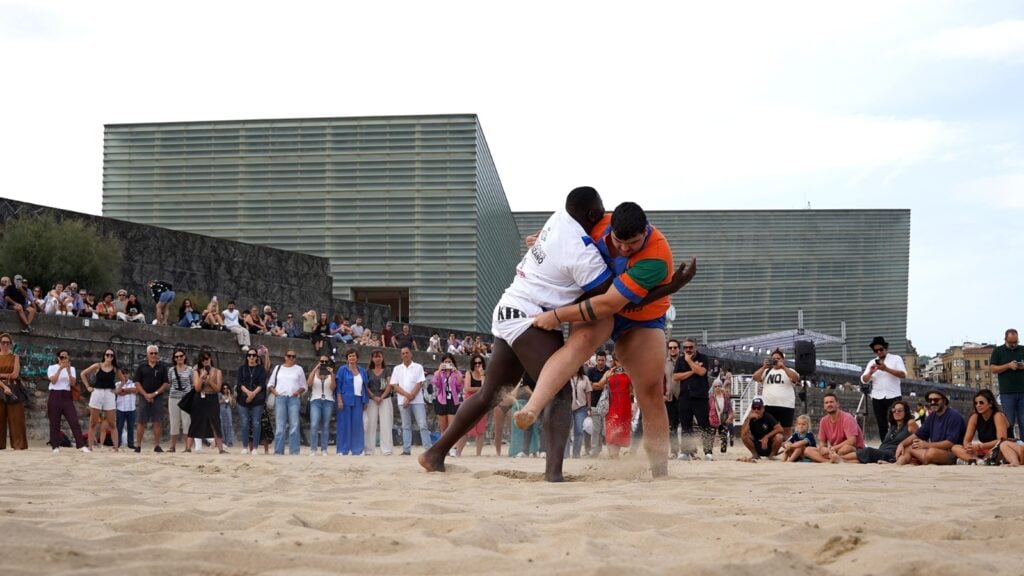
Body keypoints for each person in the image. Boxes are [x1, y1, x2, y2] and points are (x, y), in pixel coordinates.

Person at [418, 187, 614, 480]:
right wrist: (662, 289)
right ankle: (553, 474)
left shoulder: (560, 217)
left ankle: (435, 454)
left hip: (509, 307)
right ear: (590, 215)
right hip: (530, 317)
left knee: (490, 394)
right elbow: (610, 297)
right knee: (558, 390)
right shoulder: (580, 250)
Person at [521, 201, 697, 477]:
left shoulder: (656, 257)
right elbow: (562, 229)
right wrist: (540, 240)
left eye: (633, 244)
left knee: (650, 390)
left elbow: (610, 305)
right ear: (611, 227)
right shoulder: (600, 222)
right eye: (619, 242)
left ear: (646, 231)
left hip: (640, 317)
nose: (625, 249)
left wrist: (557, 316)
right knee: (579, 346)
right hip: (597, 303)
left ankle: (660, 472)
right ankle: (532, 407)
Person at [896, 390, 966, 466]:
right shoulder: (932, 416)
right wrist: (901, 444)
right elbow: (918, 434)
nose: (932, 402)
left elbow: (950, 443)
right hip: (932, 450)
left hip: (951, 453)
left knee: (931, 453)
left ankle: (918, 461)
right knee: (907, 447)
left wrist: (927, 445)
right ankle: (896, 466)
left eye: (936, 400)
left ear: (944, 401)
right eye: (930, 400)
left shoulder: (954, 416)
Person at [836, 400, 918, 464]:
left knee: (868, 451)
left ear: (905, 412)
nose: (896, 412)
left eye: (899, 410)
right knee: (863, 459)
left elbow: (920, 437)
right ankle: (841, 461)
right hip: (883, 450)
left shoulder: (910, 423)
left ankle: (839, 458)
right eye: (894, 410)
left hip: (893, 453)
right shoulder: (892, 425)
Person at [861, 336, 906, 440]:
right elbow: (864, 379)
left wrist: (886, 369)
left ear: (886, 348)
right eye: (876, 350)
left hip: (893, 395)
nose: (879, 352)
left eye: (880, 349)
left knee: (896, 423)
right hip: (877, 397)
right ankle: (885, 445)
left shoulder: (896, 359)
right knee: (881, 424)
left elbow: (903, 374)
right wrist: (871, 372)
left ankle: (897, 445)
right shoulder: (872, 362)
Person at [79, 348, 124, 452]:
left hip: (109, 393)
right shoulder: (97, 366)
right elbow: (83, 374)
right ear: (104, 356)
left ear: (113, 357)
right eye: (107, 355)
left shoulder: (115, 369)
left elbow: (123, 380)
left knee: (112, 422)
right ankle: (90, 446)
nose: (109, 357)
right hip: (97, 392)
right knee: (93, 422)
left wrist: (118, 390)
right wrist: (88, 387)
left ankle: (116, 448)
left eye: (111, 355)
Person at [674, 339, 712, 460]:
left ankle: (708, 452)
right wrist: (692, 371)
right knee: (686, 426)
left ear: (695, 347)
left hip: (700, 396)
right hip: (684, 396)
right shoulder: (680, 360)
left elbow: (701, 372)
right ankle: (686, 451)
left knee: (704, 425)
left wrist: (689, 361)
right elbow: (675, 376)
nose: (688, 349)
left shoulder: (703, 358)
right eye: (685, 347)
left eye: (690, 347)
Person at [950, 390, 1010, 465]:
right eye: (976, 403)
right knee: (955, 448)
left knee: (997, 450)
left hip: (1002, 448)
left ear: (990, 404)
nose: (978, 405)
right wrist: (969, 448)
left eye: (981, 403)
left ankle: (972, 460)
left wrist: (980, 446)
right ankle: (979, 461)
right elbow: (966, 440)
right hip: (983, 450)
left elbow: (1001, 440)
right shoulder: (974, 417)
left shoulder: (998, 415)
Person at [47, 349, 89, 453]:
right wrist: (60, 369)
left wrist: (69, 371)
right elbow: (53, 380)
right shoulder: (52, 367)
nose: (64, 359)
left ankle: (81, 445)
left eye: (66, 357)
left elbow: (73, 383)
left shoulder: (72, 368)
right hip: (54, 395)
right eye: (62, 357)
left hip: (66, 395)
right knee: (54, 422)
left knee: (73, 420)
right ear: (58, 358)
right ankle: (55, 446)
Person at [803, 393, 865, 463]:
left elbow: (851, 441)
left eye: (831, 402)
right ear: (824, 406)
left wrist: (833, 448)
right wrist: (823, 448)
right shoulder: (823, 421)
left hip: (853, 449)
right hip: (834, 450)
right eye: (826, 403)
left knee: (844, 449)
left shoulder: (847, 418)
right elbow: (822, 443)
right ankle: (830, 461)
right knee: (807, 450)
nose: (829, 404)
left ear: (837, 404)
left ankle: (839, 459)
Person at [754, 348, 800, 440]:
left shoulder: (789, 370)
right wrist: (763, 367)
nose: (776, 360)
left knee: (786, 429)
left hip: (786, 405)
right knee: (768, 428)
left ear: (783, 360)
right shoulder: (767, 371)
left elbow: (795, 378)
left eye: (778, 358)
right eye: (774, 358)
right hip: (769, 405)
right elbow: (755, 377)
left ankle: (788, 449)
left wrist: (783, 367)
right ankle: (771, 449)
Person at [393, 346, 431, 455]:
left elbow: (419, 384)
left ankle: (428, 449)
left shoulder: (418, 367)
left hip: (417, 401)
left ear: (411, 354)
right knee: (406, 426)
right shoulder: (397, 369)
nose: (405, 355)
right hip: (402, 401)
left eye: (407, 353)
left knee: (423, 424)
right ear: (401, 355)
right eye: (403, 353)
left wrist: (410, 397)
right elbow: (395, 386)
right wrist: (407, 396)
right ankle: (406, 450)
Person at [187, 352, 227, 454]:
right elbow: (197, 388)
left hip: (212, 396)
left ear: (210, 359)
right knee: (195, 421)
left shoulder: (217, 372)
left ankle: (221, 448)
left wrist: (209, 381)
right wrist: (202, 377)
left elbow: (218, 389)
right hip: (200, 396)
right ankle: (188, 448)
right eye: (202, 359)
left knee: (215, 422)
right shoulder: (197, 371)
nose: (205, 360)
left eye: (206, 358)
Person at [268, 349, 306, 455]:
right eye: (289, 356)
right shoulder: (278, 368)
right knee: (280, 426)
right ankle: (278, 451)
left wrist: (297, 392)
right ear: (285, 357)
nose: (291, 358)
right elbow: (270, 383)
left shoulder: (299, 369)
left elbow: (304, 385)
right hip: (281, 398)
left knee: (294, 425)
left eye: (293, 356)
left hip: (293, 398)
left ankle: (294, 451)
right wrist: (275, 392)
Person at [134, 344, 169, 453]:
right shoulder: (141, 367)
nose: (154, 355)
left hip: (157, 397)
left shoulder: (162, 367)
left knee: (157, 421)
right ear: (147, 354)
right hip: (144, 397)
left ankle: (157, 446)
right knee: (141, 421)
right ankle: (138, 446)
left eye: (155, 353)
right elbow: (137, 383)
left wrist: (154, 394)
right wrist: (145, 395)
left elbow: (165, 384)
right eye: (151, 353)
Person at [990, 328, 1024, 440]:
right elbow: (993, 368)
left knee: (1023, 422)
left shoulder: (1022, 349)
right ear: (1005, 339)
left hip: (1023, 392)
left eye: (1015, 342)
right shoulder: (998, 351)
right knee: (1008, 422)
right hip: (1007, 393)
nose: (1014, 345)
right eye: (1011, 343)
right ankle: (1011, 446)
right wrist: (1008, 366)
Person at [335, 349, 369, 455]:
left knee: (357, 425)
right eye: (350, 356)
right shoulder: (342, 369)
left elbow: (365, 386)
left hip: (359, 399)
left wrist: (365, 401)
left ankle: (357, 449)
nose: (352, 358)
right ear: (347, 358)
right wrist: (339, 400)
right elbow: (338, 387)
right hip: (345, 399)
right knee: (344, 424)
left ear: (357, 358)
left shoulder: (362, 370)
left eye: (354, 356)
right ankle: (343, 449)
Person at [236, 348, 267, 455]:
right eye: (249, 355)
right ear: (247, 357)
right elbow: (240, 383)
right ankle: (245, 447)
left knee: (256, 423)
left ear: (257, 357)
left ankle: (255, 448)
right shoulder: (242, 369)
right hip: (243, 398)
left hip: (257, 399)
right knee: (244, 423)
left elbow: (262, 384)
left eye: (254, 355)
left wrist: (253, 394)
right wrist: (248, 393)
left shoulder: (260, 369)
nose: (252, 357)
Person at [431, 353, 464, 452]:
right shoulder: (440, 374)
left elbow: (460, 385)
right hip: (441, 400)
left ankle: (453, 448)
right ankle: (443, 449)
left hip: (453, 401)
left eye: (449, 362)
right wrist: (439, 370)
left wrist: (456, 371)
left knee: (452, 427)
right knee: (443, 428)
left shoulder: (456, 373)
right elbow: (434, 382)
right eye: (445, 362)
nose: (447, 364)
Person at [0, 333, 28, 449]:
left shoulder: (15, 357)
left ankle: (19, 445)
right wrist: (4, 386)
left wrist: (1, 375)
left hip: (14, 387)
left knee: (17, 417)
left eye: (7, 343)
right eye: (3, 342)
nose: (5, 345)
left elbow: (15, 374)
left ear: (11, 344)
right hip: (1, 386)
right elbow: (11, 374)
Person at [364, 350, 394, 456]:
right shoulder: (368, 371)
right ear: (372, 359)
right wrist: (373, 396)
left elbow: (390, 384)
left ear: (382, 358)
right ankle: (369, 449)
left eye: (379, 356)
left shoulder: (387, 370)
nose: (377, 359)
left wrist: (382, 397)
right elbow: (365, 386)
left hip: (385, 399)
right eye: (375, 357)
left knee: (386, 424)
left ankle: (386, 449)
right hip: (372, 400)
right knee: (371, 424)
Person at [460, 354, 489, 457]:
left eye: (479, 363)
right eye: (475, 363)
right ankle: (458, 452)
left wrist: (481, 375)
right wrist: (480, 389)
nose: (477, 365)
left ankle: (478, 454)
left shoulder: (484, 374)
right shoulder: (469, 373)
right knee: (465, 429)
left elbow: (485, 387)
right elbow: (467, 388)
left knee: (481, 430)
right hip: (470, 402)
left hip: (481, 403)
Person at [604, 354, 632, 458]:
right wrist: (609, 375)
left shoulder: (628, 373)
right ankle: (611, 453)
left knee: (620, 428)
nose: (620, 362)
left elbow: (636, 386)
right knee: (611, 427)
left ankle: (615, 454)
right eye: (618, 360)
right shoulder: (609, 372)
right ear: (614, 361)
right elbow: (600, 384)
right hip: (612, 403)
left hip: (625, 404)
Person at [306, 354, 335, 456]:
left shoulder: (331, 374)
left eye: (325, 362)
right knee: (314, 424)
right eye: (321, 361)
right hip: (315, 400)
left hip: (328, 400)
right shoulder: (314, 372)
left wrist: (331, 374)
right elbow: (308, 384)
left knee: (325, 425)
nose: (323, 363)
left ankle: (324, 449)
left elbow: (332, 387)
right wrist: (315, 369)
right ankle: (313, 449)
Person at [166, 349, 194, 452]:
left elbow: (192, 383)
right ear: (174, 359)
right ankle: (172, 446)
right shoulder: (171, 370)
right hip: (173, 397)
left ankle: (187, 447)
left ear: (184, 357)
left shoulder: (190, 370)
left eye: (181, 356)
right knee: (174, 421)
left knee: (187, 422)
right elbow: (169, 383)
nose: (179, 358)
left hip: (186, 398)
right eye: (177, 357)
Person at [586, 350, 610, 456]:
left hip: (606, 405)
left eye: (602, 360)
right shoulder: (591, 371)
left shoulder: (609, 370)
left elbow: (608, 386)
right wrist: (600, 386)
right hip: (594, 403)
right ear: (596, 360)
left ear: (606, 360)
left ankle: (602, 449)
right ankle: (595, 450)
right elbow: (588, 386)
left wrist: (595, 385)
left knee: (604, 430)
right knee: (596, 429)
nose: (601, 362)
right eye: (599, 360)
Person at [567, 364, 592, 459]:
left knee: (579, 431)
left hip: (581, 408)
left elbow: (588, 393)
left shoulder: (584, 378)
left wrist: (589, 408)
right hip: (567, 408)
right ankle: (565, 454)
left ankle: (576, 454)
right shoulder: (566, 377)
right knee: (566, 432)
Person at [664, 340, 682, 458]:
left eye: (675, 347)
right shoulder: (664, 363)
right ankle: (674, 451)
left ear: (678, 349)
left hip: (684, 397)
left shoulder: (684, 361)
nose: (673, 350)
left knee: (686, 425)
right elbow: (660, 379)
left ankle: (689, 451)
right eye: (670, 348)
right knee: (672, 426)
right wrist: (662, 394)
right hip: (670, 398)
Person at [708, 381, 733, 454]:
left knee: (724, 436)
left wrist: (729, 417)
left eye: (719, 386)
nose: (717, 387)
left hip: (723, 419)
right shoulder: (711, 398)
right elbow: (707, 408)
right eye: (715, 386)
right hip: (713, 419)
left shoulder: (726, 397)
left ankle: (723, 452)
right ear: (713, 387)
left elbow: (730, 409)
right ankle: (709, 452)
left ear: (721, 386)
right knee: (710, 437)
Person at [115, 374, 137, 450]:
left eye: (126, 374)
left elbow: (135, 390)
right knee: (119, 427)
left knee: (131, 427)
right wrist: (129, 390)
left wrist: (124, 390)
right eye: (123, 374)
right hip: (120, 408)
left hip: (131, 408)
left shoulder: (133, 383)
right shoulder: (117, 383)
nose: (125, 376)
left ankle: (130, 444)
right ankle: (117, 443)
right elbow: (118, 392)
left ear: (129, 375)